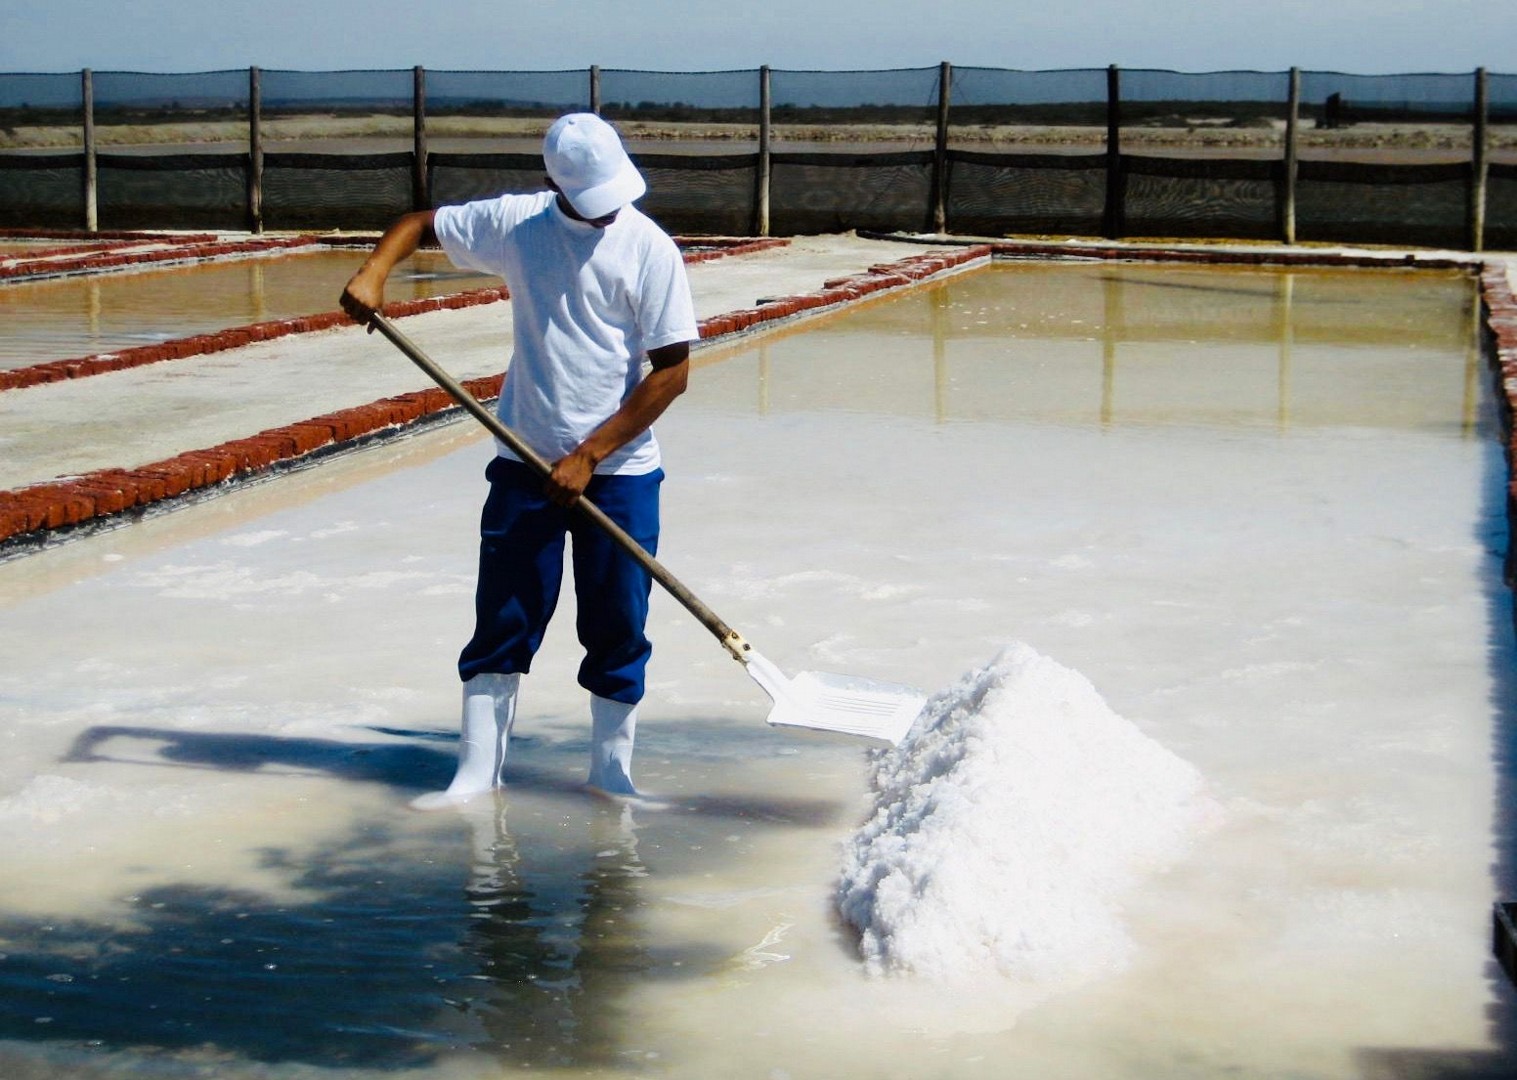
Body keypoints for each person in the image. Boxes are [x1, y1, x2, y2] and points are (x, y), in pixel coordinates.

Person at [340, 113, 698, 808]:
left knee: (617, 624)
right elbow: (418, 222)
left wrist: (591, 454)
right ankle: (476, 774)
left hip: (618, 472)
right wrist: (373, 271)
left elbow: (672, 373)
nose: (605, 214)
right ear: (552, 185)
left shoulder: (649, 249)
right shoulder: (517, 223)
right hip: (525, 458)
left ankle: (611, 773)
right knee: (503, 615)